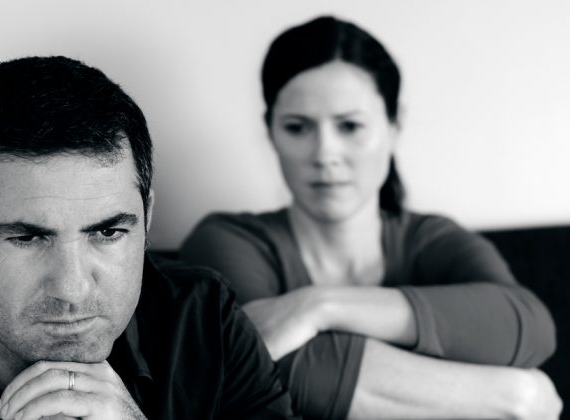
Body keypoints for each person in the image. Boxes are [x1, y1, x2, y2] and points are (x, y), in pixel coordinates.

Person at [0, 56, 297, 419]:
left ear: (147, 219)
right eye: (28, 238)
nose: (72, 289)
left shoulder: (204, 323)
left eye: (108, 232)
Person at [181, 16, 562, 419]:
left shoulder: (432, 237)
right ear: (271, 131)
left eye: (350, 126)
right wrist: (513, 396)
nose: (325, 153)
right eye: (297, 127)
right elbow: (262, 361)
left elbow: (530, 328)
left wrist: (319, 305)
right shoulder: (227, 241)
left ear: (395, 126)